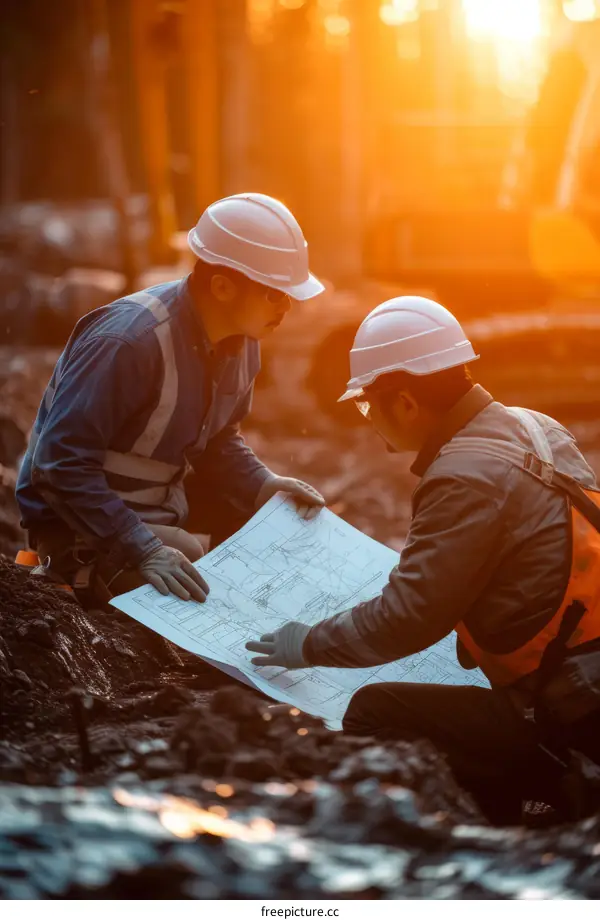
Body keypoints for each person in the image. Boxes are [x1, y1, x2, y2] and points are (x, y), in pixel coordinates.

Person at [246, 295, 600, 823]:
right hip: (585, 669)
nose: (367, 421)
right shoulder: (536, 427)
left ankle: (520, 811)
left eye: (367, 405)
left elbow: (410, 618)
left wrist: (308, 644)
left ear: (407, 402)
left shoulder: (462, 475)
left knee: (374, 710)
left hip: (571, 705)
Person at [16, 192, 325, 606]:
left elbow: (218, 439)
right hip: (78, 523)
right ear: (222, 286)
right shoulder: (128, 343)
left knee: (270, 520)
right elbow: (58, 465)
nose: (287, 307)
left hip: (160, 502)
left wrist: (263, 485)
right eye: (275, 293)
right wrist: (143, 548)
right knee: (190, 560)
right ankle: (82, 575)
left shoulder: (243, 341)